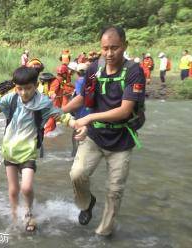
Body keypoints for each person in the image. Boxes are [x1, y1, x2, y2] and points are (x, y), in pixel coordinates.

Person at [0, 66, 87, 232]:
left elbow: (61, 115)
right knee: (13, 190)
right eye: (19, 88)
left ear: (36, 85)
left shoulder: (43, 102)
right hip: (9, 150)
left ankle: (28, 212)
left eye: (28, 88)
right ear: (15, 86)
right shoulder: (11, 98)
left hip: (28, 152)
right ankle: (14, 215)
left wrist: (76, 124)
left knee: (26, 187)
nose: (24, 93)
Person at [62, 26, 146, 236]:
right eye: (105, 48)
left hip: (122, 139)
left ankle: (104, 232)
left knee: (115, 190)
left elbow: (125, 110)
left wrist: (88, 117)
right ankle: (87, 203)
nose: (109, 53)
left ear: (124, 46)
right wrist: (58, 111)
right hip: (95, 136)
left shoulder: (134, 71)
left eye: (114, 48)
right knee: (77, 174)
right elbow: (82, 97)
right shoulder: (94, 68)